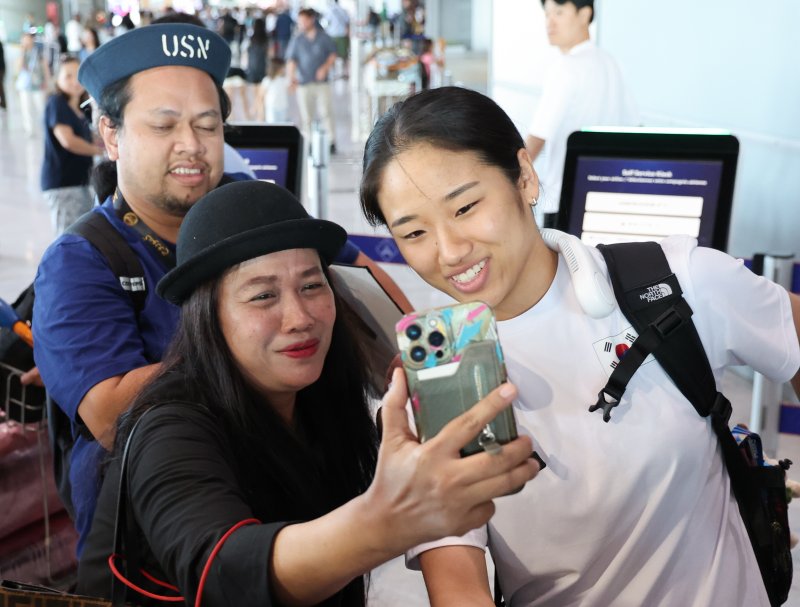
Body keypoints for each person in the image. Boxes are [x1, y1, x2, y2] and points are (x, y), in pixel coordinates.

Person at [358, 86, 800, 606]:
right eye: (413, 234)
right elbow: (457, 583)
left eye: (466, 207)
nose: (449, 252)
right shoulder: (439, 377)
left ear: (524, 176)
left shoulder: (672, 281)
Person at [76, 179, 540, 606]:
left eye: (312, 285)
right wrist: (384, 521)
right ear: (208, 316)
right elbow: (220, 569)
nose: (300, 317)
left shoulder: (322, 400)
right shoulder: (170, 428)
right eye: (262, 296)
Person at [33, 23, 234, 556]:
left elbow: (359, 310)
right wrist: (253, 335)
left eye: (208, 125)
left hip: (286, 512)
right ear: (111, 134)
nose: (191, 145)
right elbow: (112, 415)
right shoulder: (80, 260)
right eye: (164, 125)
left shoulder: (249, 217)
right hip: (158, 549)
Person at [525, 0, 638, 227]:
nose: (550, 22)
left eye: (559, 12)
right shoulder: (611, 62)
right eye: (547, 14)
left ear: (585, 14)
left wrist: (509, 177)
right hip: (607, 197)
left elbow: (537, 138)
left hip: (565, 200)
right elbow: (634, 127)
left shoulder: (566, 67)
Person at [41, 54, 103, 234]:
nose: (74, 81)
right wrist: (100, 152)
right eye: (67, 76)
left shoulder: (79, 107)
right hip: (63, 184)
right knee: (68, 235)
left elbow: (90, 136)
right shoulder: (56, 103)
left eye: (77, 75)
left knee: (83, 232)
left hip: (80, 181)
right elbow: (68, 141)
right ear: (57, 78)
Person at [286, 8, 338, 154]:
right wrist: (291, 78)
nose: (301, 23)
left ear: (311, 19)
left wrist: (325, 68)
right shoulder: (297, 39)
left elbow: (333, 54)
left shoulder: (323, 37)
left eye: (304, 20)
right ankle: (308, 142)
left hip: (322, 83)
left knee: (326, 112)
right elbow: (292, 60)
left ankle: (331, 142)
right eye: (300, 21)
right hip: (304, 83)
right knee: (306, 116)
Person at [15, 31, 50, 136]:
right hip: (25, 85)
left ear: (32, 39)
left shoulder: (39, 51)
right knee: (26, 108)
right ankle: (29, 129)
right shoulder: (22, 52)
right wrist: (22, 52)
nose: (25, 41)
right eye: (23, 39)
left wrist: (47, 82)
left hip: (38, 84)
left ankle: (45, 127)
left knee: (41, 108)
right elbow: (18, 69)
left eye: (27, 38)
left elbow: (45, 67)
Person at [244, 17, 270, 113]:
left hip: (252, 68)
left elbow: (247, 54)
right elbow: (270, 54)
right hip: (262, 67)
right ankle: (260, 111)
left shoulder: (251, 38)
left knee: (255, 92)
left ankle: (256, 109)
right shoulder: (267, 38)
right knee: (262, 92)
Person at [258, 57, 289, 123]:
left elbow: (289, 91)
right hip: (271, 108)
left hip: (283, 108)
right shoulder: (267, 80)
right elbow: (260, 97)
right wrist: (261, 112)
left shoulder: (284, 80)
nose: (284, 69)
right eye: (283, 67)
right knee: (272, 126)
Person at [324, 0, 350, 78]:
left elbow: (326, 22)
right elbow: (347, 21)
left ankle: (334, 73)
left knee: (333, 54)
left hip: (332, 35)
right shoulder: (343, 10)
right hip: (342, 35)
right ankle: (344, 72)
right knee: (343, 55)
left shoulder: (329, 10)